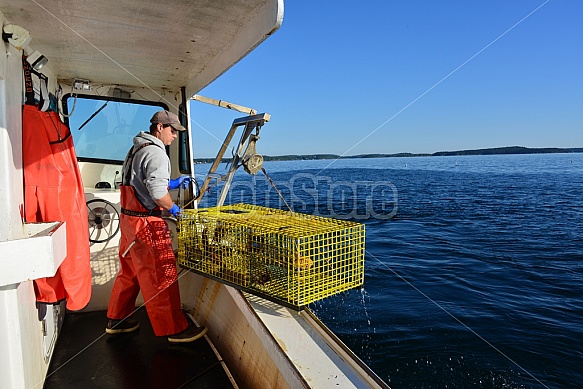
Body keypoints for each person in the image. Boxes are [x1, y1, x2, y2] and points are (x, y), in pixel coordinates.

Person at [105, 110, 207, 343]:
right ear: (159, 127)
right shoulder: (157, 153)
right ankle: (174, 330)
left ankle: (117, 320)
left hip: (129, 222)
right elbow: (159, 195)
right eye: (172, 131)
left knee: (129, 273)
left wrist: (172, 182)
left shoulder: (136, 149)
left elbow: (141, 183)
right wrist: (175, 210)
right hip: (146, 224)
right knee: (161, 275)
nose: (174, 136)